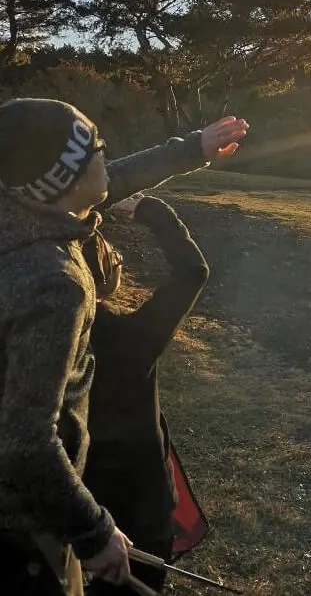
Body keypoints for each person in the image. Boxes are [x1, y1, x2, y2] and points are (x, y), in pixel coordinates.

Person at [0, 98, 247, 595]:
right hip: (25, 536)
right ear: (61, 183)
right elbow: (26, 441)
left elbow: (111, 176)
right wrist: (94, 533)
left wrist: (192, 150)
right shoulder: (54, 284)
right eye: (94, 149)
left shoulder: (21, 213)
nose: (105, 154)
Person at [82, 193, 209, 594]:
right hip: (142, 510)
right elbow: (192, 271)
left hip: (68, 512)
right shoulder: (130, 338)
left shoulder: (21, 335)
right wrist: (149, 209)